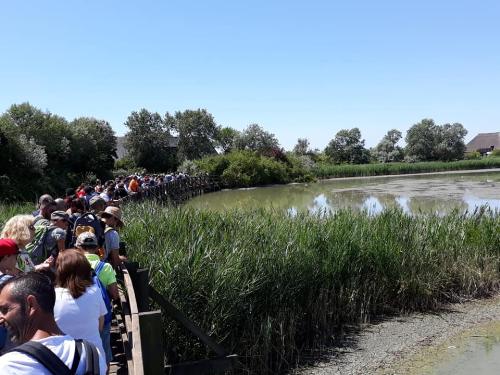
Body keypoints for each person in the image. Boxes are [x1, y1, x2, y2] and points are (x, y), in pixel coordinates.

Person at [0, 272, 105, 374]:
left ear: (31, 305)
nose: (1, 318)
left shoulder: (10, 366)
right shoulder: (91, 354)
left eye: (5, 310)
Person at [53, 250, 107, 370]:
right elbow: (100, 325)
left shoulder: (52, 296)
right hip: (94, 358)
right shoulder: (95, 291)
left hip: (65, 361)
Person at [76, 232, 118, 366]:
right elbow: (115, 294)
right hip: (101, 315)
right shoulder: (105, 267)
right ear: (96, 248)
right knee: (103, 350)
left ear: (78, 247)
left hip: (79, 314)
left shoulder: (73, 266)